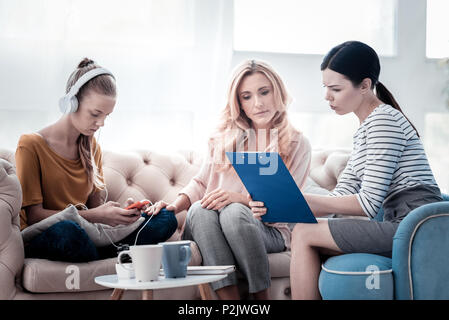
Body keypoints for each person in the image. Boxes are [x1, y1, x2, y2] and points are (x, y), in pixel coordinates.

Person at [250, 41, 443, 300]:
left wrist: (300, 201)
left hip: (414, 227)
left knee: (305, 232)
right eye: (325, 88)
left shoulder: (384, 121)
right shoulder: (365, 129)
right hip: (397, 224)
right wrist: (285, 204)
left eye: (335, 89)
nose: (327, 96)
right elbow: (339, 197)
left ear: (364, 85)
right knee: (305, 230)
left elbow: (367, 204)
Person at [145, 59, 311, 300]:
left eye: (264, 92)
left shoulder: (297, 143)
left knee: (233, 211)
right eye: (247, 96)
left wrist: (239, 200)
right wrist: (173, 206)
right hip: (210, 226)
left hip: (269, 231)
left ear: (278, 91)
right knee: (201, 209)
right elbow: (201, 182)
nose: (258, 103)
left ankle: (260, 300)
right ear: (238, 103)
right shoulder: (223, 138)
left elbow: (286, 205)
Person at [16, 58, 177, 263]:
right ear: (71, 102)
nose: (100, 123)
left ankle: (108, 255)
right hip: (49, 234)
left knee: (165, 218)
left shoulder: (92, 148)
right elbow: (34, 217)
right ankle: (118, 255)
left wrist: (121, 213)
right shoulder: (30, 145)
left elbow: (96, 211)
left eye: (106, 116)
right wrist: (98, 216)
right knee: (68, 232)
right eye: (95, 114)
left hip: (88, 232)